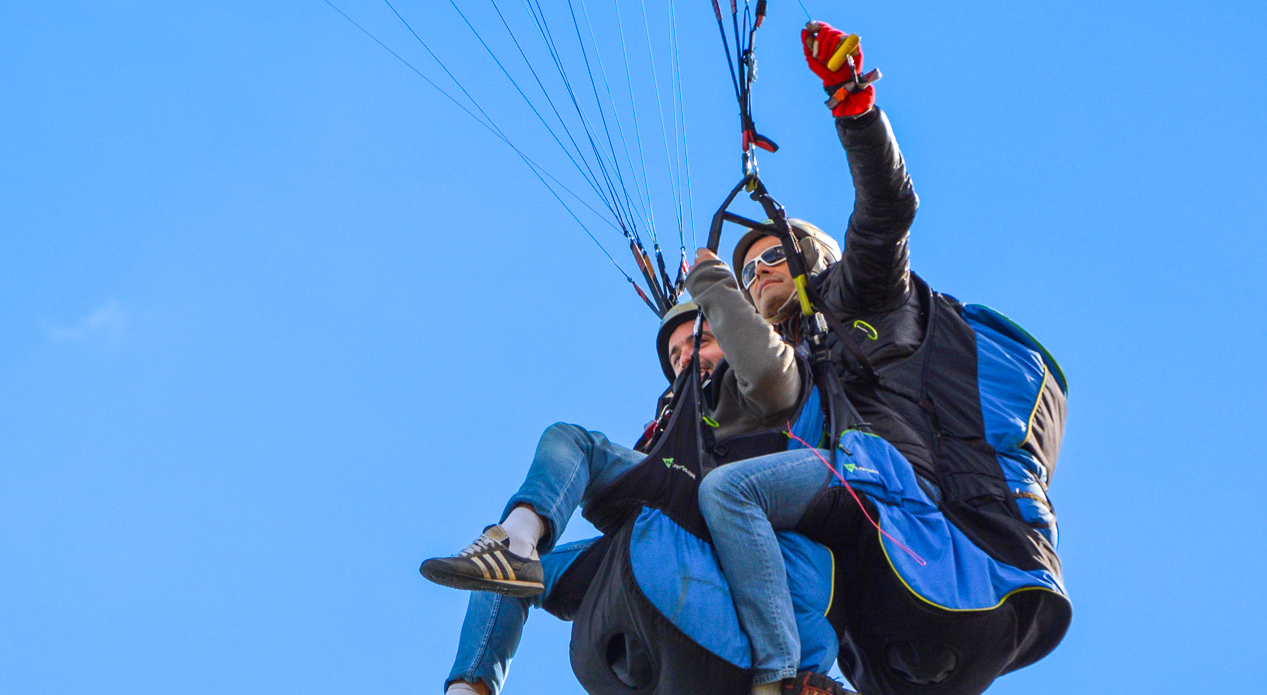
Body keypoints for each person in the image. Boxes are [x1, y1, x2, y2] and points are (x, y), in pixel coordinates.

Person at [696, 21, 1071, 695]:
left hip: (917, 522)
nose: (760, 273)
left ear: (810, 257)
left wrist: (853, 102)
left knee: (733, 493)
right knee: (741, 523)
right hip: (894, 629)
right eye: (747, 273)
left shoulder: (860, 294)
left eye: (773, 254)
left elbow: (888, 208)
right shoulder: (782, 362)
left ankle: (782, 674)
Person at [423, 234, 832, 694]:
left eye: (700, 342)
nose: (685, 359)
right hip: (665, 508)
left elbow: (771, 375)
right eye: (675, 356)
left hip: (710, 500)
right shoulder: (673, 419)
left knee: (580, 443)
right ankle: (507, 565)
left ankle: (777, 674)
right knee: (506, 571)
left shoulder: (755, 380)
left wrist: (712, 285)